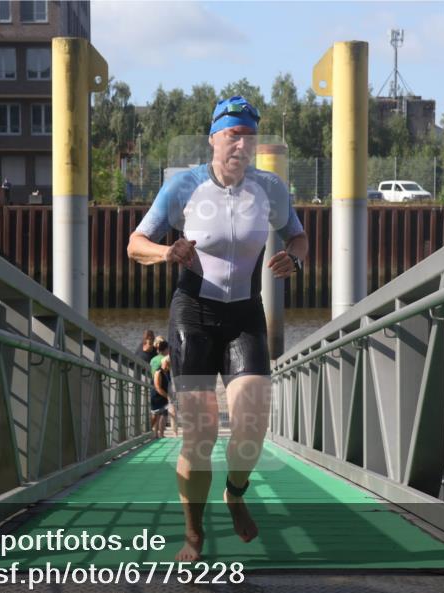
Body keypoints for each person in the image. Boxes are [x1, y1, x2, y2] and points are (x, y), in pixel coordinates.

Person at [127, 95, 308, 561]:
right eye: (232, 134)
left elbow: (297, 234)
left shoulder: (270, 188)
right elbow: (135, 244)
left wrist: (297, 257)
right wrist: (166, 253)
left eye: (249, 136)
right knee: (200, 434)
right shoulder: (183, 187)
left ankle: (235, 493)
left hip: (246, 313)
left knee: (252, 426)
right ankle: (193, 534)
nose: (241, 144)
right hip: (194, 316)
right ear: (213, 138)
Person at [152, 355, 172, 438]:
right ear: (164, 363)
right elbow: (157, 387)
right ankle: (155, 434)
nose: (168, 366)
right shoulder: (158, 372)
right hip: (157, 397)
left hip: (164, 396)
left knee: (164, 414)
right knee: (156, 415)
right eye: (168, 364)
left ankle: (161, 434)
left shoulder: (167, 372)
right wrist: (168, 396)